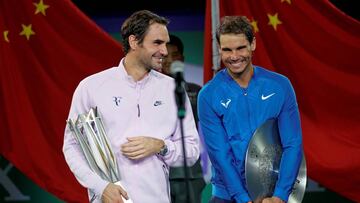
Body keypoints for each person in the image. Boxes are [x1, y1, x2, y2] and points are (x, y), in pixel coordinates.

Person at [63, 10, 200, 203]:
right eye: (157, 43)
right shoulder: (91, 87)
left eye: (165, 43)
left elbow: (191, 150)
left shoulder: (172, 89)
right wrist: (100, 186)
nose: (165, 51)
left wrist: (160, 146)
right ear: (134, 42)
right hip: (108, 199)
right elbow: (72, 146)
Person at [198, 16, 303, 203]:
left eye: (241, 48)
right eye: (227, 50)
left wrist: (280, 195)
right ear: (219, 49)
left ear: (252, 44)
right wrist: (243, 199)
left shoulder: (280, 85)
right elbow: (220, 155)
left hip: (274, 196)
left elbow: (292, 144)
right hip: (227, 196)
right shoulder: (208, 95)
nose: (234, 57)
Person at [161, 34, 206, 203]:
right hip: (158, 172)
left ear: (182, 58)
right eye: (164, 56)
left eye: (174, 55)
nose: (168, 60)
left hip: (189, 173)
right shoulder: (149, 91)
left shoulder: (197, 92)